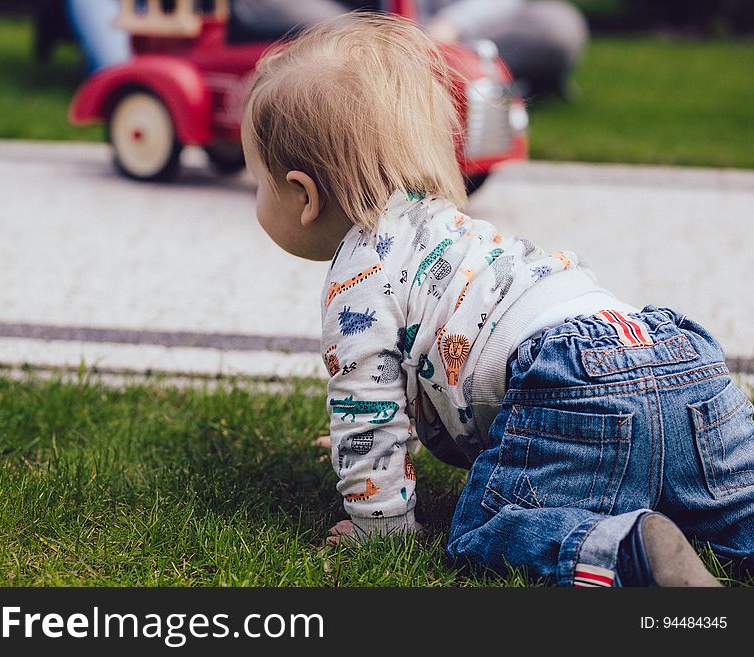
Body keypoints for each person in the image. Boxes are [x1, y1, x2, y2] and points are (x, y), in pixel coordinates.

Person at [240, 12, 754, 586]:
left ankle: (623, 550)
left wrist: (376, 523)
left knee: (491, 528)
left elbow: (366, 407)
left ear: (302, 195)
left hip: (570, 382)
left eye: (257, 180)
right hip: (679, 356)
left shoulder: (357, 275)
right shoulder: (453, 233)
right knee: (734, 510)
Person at [420, 0, 589, 99]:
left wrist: (451, 23)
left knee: (557, 26)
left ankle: (492, 83)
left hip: (486, 30)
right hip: (411, 37)